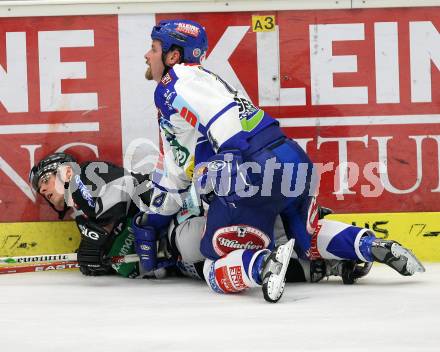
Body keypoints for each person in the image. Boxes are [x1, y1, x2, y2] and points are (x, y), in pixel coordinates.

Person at [136, 19, 424, 303]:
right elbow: (199, 150)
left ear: (173, 55)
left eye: (153, 47)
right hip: (291, 157)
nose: (148, 55)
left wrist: (156, 218)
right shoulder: (212, 82)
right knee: (305, 238)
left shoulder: (172, 84)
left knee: (213, 265)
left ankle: (262, 265)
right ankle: (368, 244)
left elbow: (182, 168)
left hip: (253, 171)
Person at [29, 152, 371, 285]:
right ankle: (331, 265)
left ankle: (312, 231)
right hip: (177, 258)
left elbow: (120, 200)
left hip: (186, 217)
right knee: (215, 267)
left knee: (221, 244)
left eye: (45, 181)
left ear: (65, 170)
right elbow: (107, 240)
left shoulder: (90, 177)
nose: (44, 192)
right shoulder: (83, 213)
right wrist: (98, 258)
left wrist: (80, 198)